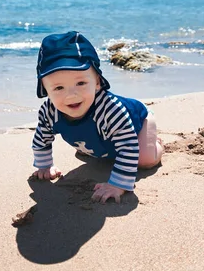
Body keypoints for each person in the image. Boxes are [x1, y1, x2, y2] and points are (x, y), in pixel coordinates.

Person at [31, 31, 164, 204]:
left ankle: (155, 144)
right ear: (45, 90)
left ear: (98, 82)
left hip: (138, 122)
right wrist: (45, 166)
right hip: (106, 138)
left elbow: (128, 147)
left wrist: (117, 185)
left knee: (144, 160)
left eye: (81, 83)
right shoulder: (49, 111)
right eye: (58, 88)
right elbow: (42, 139)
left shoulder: (111, 110)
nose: (71, 95)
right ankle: (99, 148)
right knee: (92, 151)